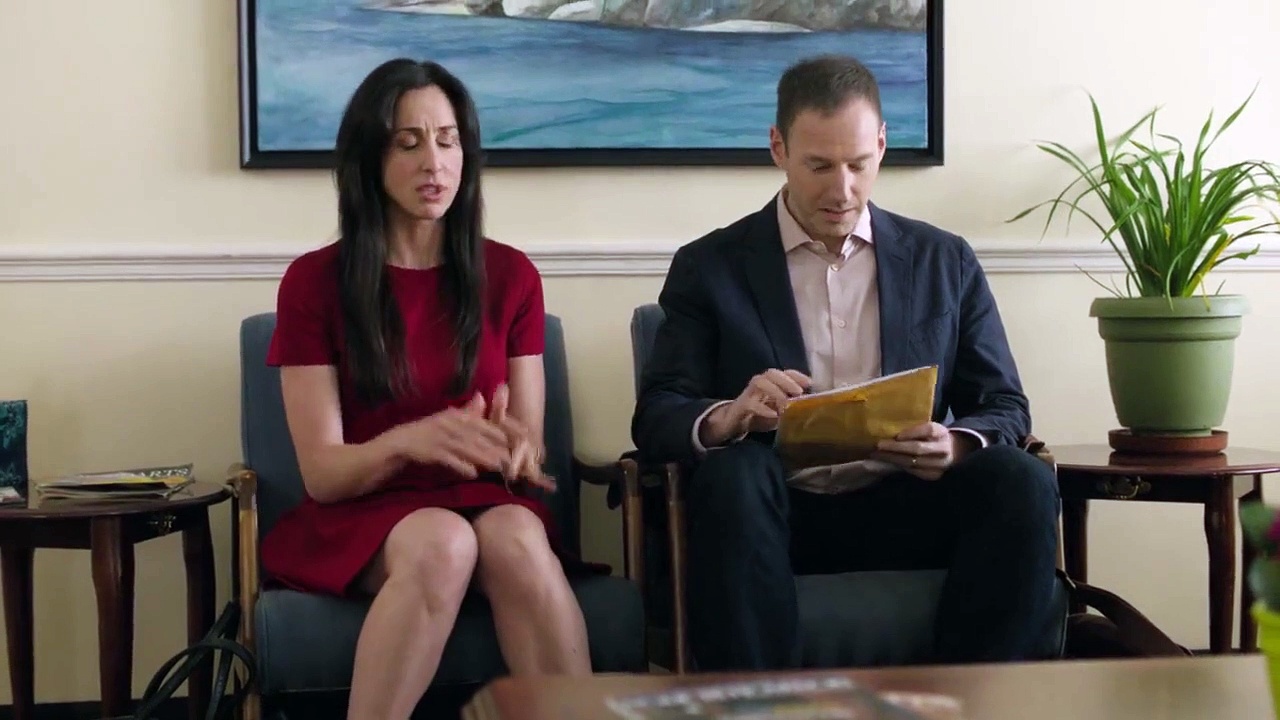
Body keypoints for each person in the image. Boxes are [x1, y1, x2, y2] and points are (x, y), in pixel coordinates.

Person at [631, 54, 1060, 671]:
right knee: (734, 477)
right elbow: (657, 415)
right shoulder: (709, 266)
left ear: (881, 145)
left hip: (911, 503)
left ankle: (976, 699)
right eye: (819, 166)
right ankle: (763, 707)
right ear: (778, 148)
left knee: (1023, 480)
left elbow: (1005, 404)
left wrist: (957, 443)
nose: (842, 190)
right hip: (775, 516)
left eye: (858, 164)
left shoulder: (944, 260)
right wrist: (732, 415)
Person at [262, 58, 592, 720]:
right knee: (444, 542)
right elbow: (323, 474)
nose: (433, 163)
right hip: (364, 508)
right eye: (407, 143)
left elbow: (529, 448)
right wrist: (410, 441)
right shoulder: (313, 283)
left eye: (447, 141)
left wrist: (515, 449)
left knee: (516, 536)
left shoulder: (512, 275)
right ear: (370, 158)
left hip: (484, 499)